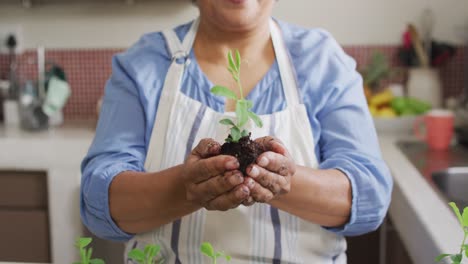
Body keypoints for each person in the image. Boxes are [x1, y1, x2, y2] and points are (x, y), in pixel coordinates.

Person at [81, 0, 393, 263]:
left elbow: (368, 196)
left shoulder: (321, 60)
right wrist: (186, 187)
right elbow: (100, 203)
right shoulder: (144, 63)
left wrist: (284, 181)